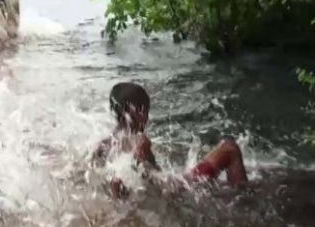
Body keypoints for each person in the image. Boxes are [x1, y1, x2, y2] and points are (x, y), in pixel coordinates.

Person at [95, 82, 248, 198]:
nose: (147, 118)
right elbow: (153, 177)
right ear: (139, 110)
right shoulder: (140, 141)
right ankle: (244, 200)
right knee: (230, 148)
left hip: (158, 190)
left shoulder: (105, 143)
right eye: (146, 111)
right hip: (172, 190)